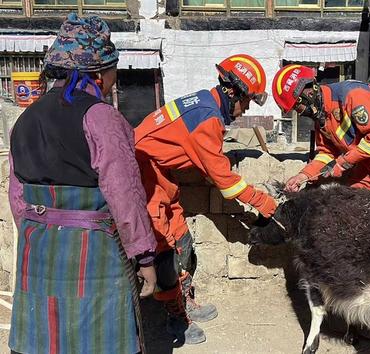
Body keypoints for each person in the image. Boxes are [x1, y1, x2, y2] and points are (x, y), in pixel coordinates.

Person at [8, 13, 157, 354]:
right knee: (99, 336)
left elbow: (17, 198)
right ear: (99, 73)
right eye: (113, 71)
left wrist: (43, 232)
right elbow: (125, 193)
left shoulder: (25, 119)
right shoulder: (101, 117)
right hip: (94, 250)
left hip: (38, 248)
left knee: (45, 337)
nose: (113, 81)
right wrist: (144, 255)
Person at [134, 54, 277, 344]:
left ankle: (184, 300)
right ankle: (174, 317)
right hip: (143, 176)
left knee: (182, 239)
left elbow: (205, 162)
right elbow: (224, 181)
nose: (245, 108)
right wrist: (263, 203)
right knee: (163, 251)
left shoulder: (204, 102)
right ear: (232, 91)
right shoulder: (207, 120)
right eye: (246, 100)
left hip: (160, 174)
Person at [272, 65, 370, 199]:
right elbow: (326, 153)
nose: (298, 113)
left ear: (308, 94)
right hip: (364, 162)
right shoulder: (321, 116)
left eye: (295, 107)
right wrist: (303, 176)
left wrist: (341, 163)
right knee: (357, 205)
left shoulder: (352, 95)